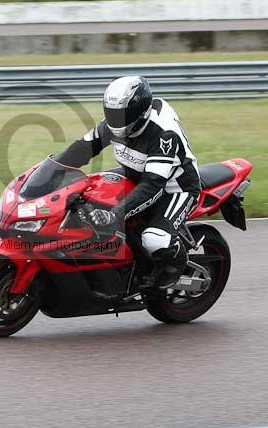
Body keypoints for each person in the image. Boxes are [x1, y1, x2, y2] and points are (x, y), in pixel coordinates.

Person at [56, 75, 201, 290]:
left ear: (139, 111)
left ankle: (175, 265)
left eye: (123, 114)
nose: (116, 119)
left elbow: (153, 185)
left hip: (174, 187)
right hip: (135, 175)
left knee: (155, 239)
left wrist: (116, 213)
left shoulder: (163, 134)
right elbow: (81, 149)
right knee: (85, 198)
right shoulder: (113, 126)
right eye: (112, 113)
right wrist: (54, 170)